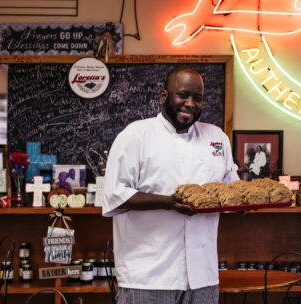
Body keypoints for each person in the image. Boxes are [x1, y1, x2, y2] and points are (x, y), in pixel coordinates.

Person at [102, 66, 238, 304]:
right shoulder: (135, 135)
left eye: (197, 98)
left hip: (203, 276)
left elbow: (230, 189)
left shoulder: (216, 138)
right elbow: (116, 194)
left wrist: (244, 203)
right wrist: (168, 202)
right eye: (183, 95)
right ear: (164, 96)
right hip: (148, 275)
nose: (190, 103)